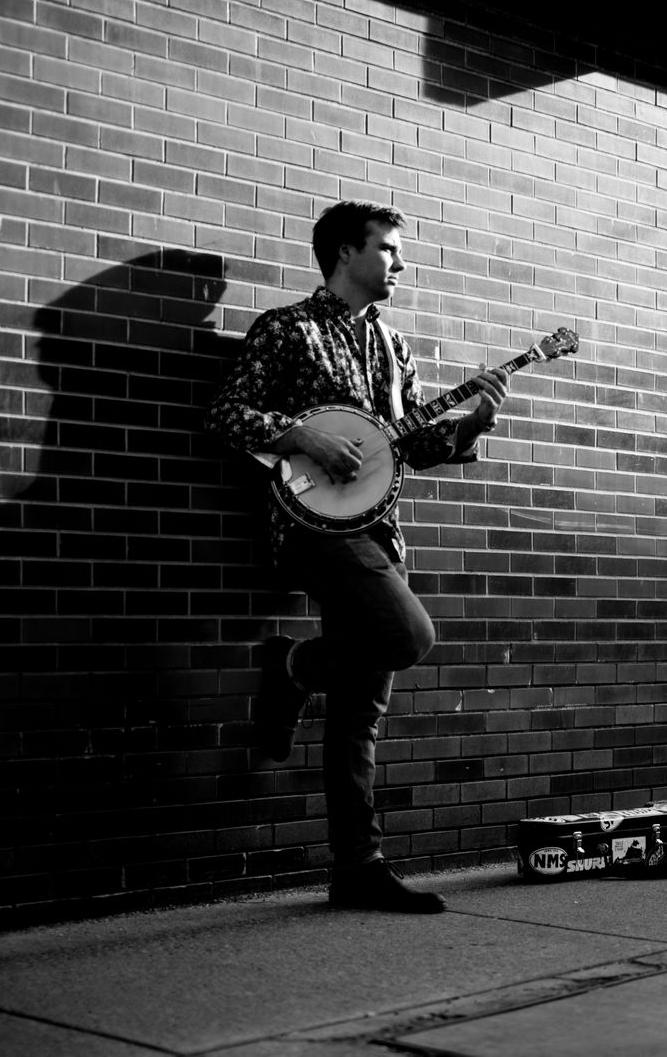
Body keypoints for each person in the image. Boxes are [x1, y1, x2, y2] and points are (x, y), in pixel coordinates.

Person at [206, 200, 509, 914]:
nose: (401, 262)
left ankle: (358, 869)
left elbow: (408, 445)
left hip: (379, 531)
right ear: (346, 252)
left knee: (358, 713)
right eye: (389, 249)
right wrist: (302, 435)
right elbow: (227, 414)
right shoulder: (288, 329)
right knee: (408, 634)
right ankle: (291, 667)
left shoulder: (392, 347)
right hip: (310, 525)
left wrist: (470, 426)